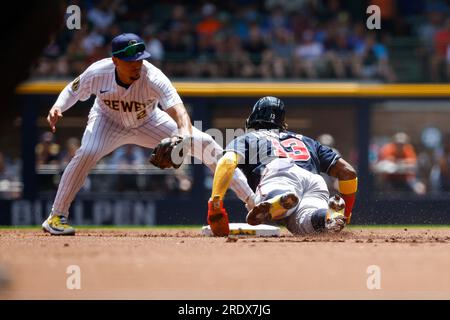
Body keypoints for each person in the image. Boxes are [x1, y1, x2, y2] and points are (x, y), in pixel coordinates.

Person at [42, 33, 255, 235]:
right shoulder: (98, 72)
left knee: (206, 143)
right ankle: (56, 217)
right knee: (87, 152)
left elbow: (179, 111)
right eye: (130, 60)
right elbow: (73, 88)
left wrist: (184, 137)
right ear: (115, 60)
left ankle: (253, 202)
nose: (137, 64)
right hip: (107, 121)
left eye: (140, 60)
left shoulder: (153, 76)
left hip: (148, 121)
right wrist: (58, 106)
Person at [206, 96, 358, 236]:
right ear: (283, 123)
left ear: (251, 120)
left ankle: (279, 200)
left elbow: (226, 162)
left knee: (273, 198)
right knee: (308, 225)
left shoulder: (248, 138)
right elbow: (348, 172)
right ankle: (328, 216)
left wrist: (216, 203)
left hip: (279, 173)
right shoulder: (307, 141)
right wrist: (347, 214)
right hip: (314, 181)